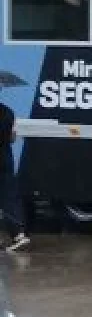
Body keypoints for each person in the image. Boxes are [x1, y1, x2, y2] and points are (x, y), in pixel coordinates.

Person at [0, 99, 28, 252]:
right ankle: (19, 235)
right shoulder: (8, 112)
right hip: (6, 159)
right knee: (9, 198)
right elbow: (12, 138)